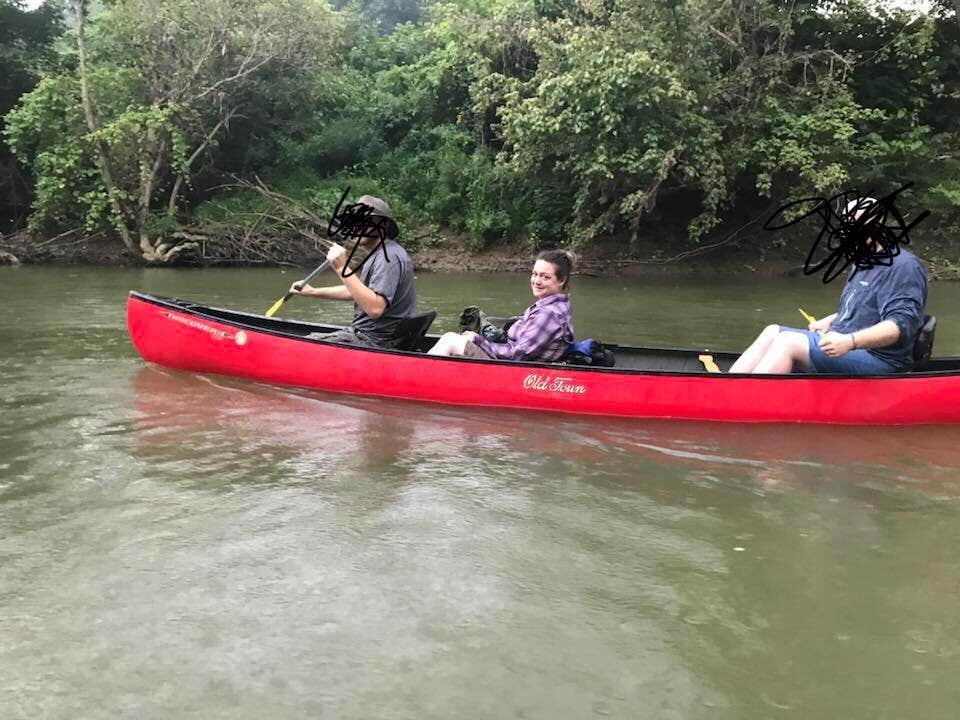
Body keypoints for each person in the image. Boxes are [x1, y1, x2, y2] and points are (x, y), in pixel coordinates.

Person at [729, 197, 928, 374]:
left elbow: (899, 327)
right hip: (846, 344)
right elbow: (865, 307)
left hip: (881, 360)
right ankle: (727, 387)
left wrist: (850, 341)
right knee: (773, 331)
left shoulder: (903, 267)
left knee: (788, 342)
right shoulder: (863, 260)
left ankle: (744, 400)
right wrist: (831, 321)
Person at [289, 194, 417, 349]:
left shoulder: (387, 257)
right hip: (373, 339)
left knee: (301, 345)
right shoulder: (385, 252)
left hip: (374, 342)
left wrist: (341, 268)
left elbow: (375, 308)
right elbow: (359, 292)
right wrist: (313, 291)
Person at [428, 249, 576, 361]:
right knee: (455, 338)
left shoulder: (549, 314)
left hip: (516, 371)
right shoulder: (553, 305)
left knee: (450, 340)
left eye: (545, 277)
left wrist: (477, 340)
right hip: (512, 361)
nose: (536, 281)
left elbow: (517, 355)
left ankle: (419, 380)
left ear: (561, 280)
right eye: (535, 274)